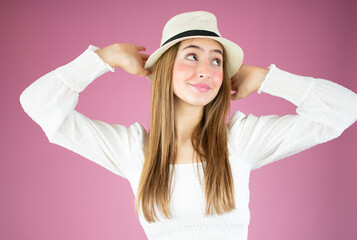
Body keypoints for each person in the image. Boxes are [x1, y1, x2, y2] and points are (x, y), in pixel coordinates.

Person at [19, 10, 357, 240]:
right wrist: (102, 58)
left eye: (216, 61)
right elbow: (39, 104)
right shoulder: (133, 151)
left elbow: (344, 110)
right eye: (192, 56)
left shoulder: (240, 141)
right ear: (165, 69)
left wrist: (270, 78)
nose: (206, 71)